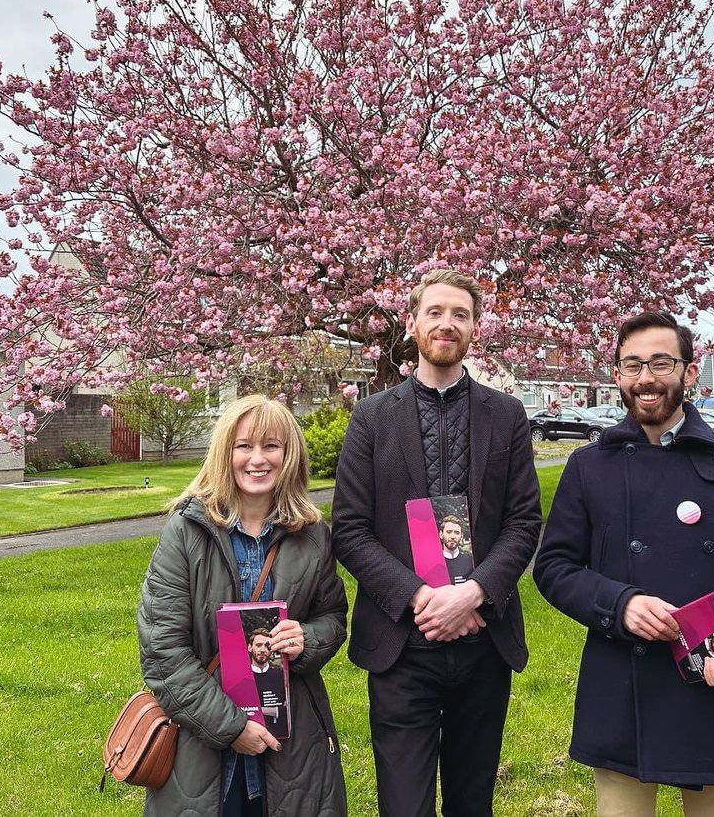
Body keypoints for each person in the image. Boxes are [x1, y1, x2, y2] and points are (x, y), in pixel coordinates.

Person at [534, 311, 714, 817]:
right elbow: (555, 567)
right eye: (632, 365)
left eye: (661, 363)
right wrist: (620, 603)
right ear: (617, 376)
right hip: (621, 689)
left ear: (689, 372)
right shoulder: (588, 468)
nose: (646, 378)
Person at [332, 268, 542, 817]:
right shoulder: (373, 416)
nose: (447, 324)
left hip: (483, 639)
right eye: (435, 312)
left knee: (473, 802)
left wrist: (472, 594)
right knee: (404, 805)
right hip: (403, 641)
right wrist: (423, 599)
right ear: (412, 323)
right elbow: (350, 529)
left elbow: (524, 522)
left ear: (475, 328)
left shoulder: (507, 414)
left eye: (461, 315)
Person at [138, 394, 348, 817]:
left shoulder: (311, 534)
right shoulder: (185, 532)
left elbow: (333, 618)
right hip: (203, 744)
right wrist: (231, 728)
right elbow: (163, 652)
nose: (258, 459)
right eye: (244, 446)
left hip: (292, 742)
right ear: (224, 453)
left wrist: (305, 639)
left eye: (272, 446)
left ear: (289, 456)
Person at [249, 627, 289, 738]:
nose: (263, 650)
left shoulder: (281, 675)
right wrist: (273, 710)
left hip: (278, 735)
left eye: (267, 646)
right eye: (258, 645)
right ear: (249, 647)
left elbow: (287, 711)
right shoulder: (242, 677)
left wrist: (256, 710)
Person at [439, 517, 474, 584]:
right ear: (441, 534)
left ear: (461, 536)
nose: (453, 536)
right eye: (449, 532)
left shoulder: (471, 562)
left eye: (457, 533)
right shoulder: (433, 564)